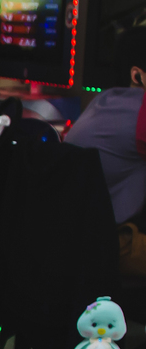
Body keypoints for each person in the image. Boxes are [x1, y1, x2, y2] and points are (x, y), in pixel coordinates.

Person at [65, 26, 146, 226]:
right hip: (106, 237)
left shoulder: (105, 99)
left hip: (72, 226)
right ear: (137, 75)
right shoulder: (140, 110)